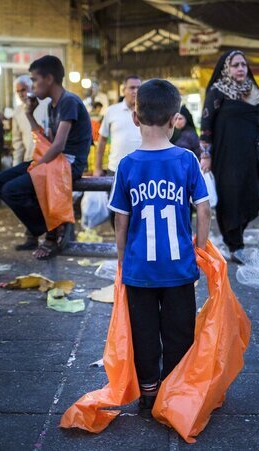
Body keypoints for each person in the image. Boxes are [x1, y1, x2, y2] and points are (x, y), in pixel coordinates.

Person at [108, 79, 210, 417]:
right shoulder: (186, 160)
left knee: (144, 334)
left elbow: (120, 221)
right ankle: (175, 392)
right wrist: (200, 247)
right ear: (175, 118)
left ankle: (149, 394)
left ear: (135, 119)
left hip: (140, 271)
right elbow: (204, 208)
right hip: (179, 267)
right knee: (180, 332)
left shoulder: (126, 165)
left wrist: (123, 259)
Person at [0, 55, 92, 260]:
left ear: (48, 79)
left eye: (35, 80)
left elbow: (59, 145)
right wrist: (30, 114)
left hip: (68, 164)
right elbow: (47, 141)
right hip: (55, 160)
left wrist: (37, 165)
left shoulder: (69, 101)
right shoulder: (51, 106)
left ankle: (53, 231)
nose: (32, 85)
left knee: (13, 190)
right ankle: (53, 226)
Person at [200, 50, 259, 263]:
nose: (240, 69)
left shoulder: (255, 93)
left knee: (251, 195)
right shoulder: (217, 91)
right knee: (230, 197)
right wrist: (206, 155)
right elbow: (206, 125)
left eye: (243, 65)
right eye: (235, 65)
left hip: (251, 157)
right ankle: (235, 243)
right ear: (226, 69)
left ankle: (238, 238)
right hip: (226, 157)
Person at [11, 75, 51, 251]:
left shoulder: (46, 105)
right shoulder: (18, 112)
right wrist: (15, 165)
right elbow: (17, 142)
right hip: (29, 159)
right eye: (18, 91)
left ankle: (54, 235)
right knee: (27, 198)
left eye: (24, 89)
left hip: (48, 159)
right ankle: (32, 236)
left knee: (50, 199)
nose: (22, 93)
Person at [93, 75, 142, 176]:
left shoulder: (148, 112)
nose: (136, 91)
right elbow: (102, 140)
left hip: (143, 169)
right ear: (123, 90)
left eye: (139, 88)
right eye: (132, 88)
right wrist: (97, 168)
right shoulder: (112, 111)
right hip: (116, 169)